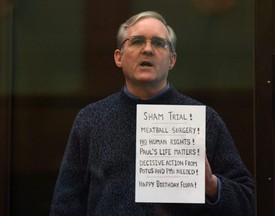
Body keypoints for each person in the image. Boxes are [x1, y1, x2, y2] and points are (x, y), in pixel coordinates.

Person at [50, 11, 254, 216]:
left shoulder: (203, 119)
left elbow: (248, 201)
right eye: (137, 41)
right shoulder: (91, 120)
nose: (147, 49)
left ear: (172, 60)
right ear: (118, 57)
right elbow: (65, 205)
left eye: (158, 43)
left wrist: (212, 186)